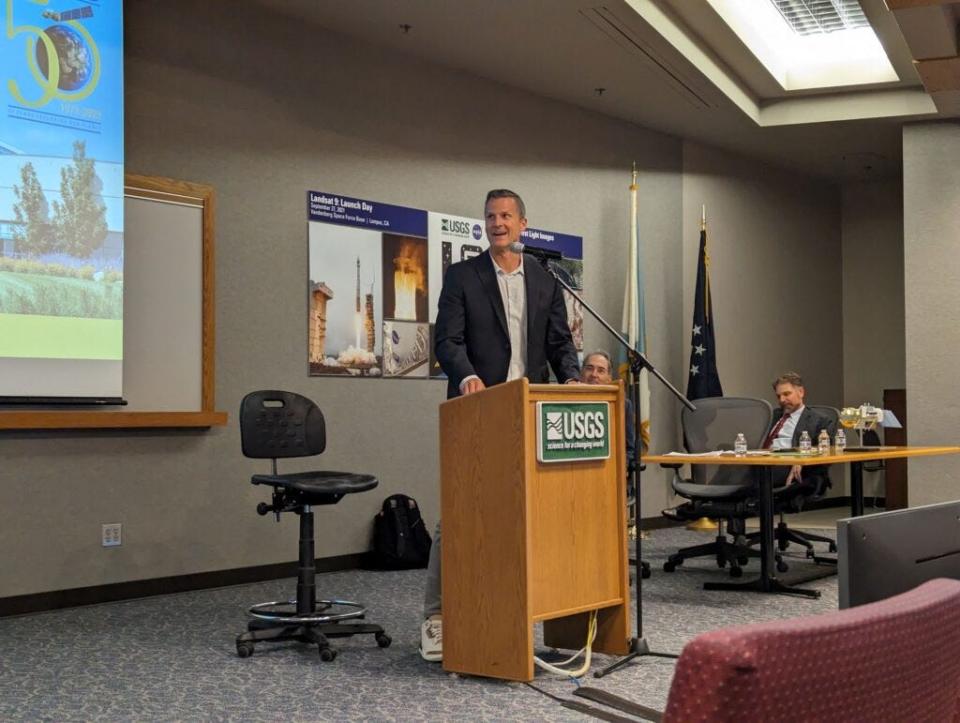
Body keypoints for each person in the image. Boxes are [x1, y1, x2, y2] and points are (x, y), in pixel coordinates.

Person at [421, 188, 580, 662]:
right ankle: (436, 616)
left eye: (506, 216)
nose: (497, 223)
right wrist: (467, 374)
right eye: (490, 216)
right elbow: (445, 341)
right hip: (479, 410)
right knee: (460, 515)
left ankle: (515, 608)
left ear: (523, 224)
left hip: (530, 412)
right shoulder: (462, 276)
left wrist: (571, 378)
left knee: (529, 512)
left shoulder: (543, 278)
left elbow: (558, 342)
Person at [580, 350, 637, 474]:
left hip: (609, 473)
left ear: (609, 378)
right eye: (589, 368)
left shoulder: (623, 405)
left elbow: (630, 448)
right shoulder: (567, 402)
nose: (594, 374)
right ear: (581, 372)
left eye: (601, 371)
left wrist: (620, 467)